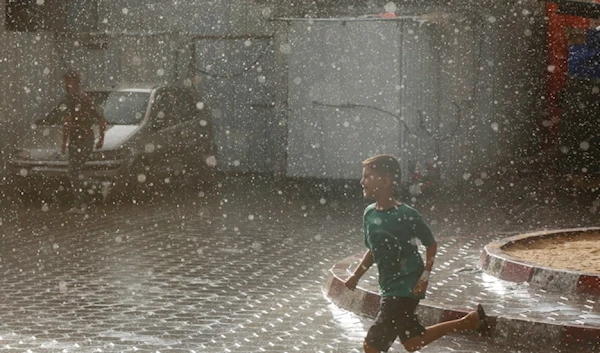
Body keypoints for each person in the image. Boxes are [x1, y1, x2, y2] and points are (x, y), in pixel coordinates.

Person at [345, 154, 490, 353]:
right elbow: (373, 249)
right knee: (413, 342)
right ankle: (470, 321)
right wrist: (355, 276)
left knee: (372, 346)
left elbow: (431, 244)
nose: (362, 181)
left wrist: (425, 276)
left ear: (386, 181)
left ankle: (469, 321)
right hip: (388, 287)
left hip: (406, 288)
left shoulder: (407, 214)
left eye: (368, 176)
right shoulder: (369, 214)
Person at [60, 71, 107, 213]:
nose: (66, 85)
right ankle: (80, 203)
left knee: (73, 171)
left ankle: (94, 190)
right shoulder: (85, 98)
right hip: (85, 139)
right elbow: (101, 118)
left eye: (68, 81)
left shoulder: (73, 98)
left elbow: (67, 122)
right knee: (75, 171)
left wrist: (63, 142)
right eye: (66, 81)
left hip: (81, 140)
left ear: (74, 82)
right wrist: (100, 139)